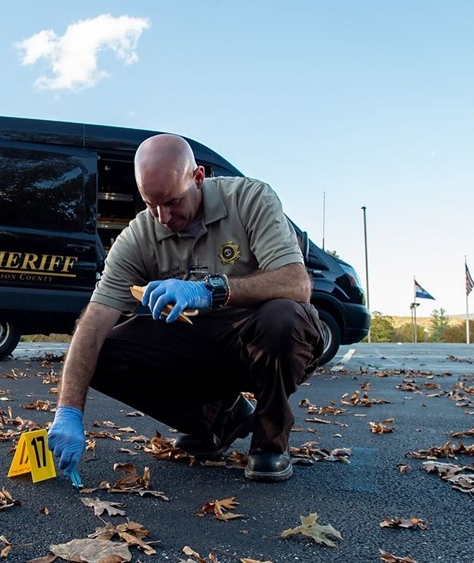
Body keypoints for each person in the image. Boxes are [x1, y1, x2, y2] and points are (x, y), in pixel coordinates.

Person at [49, 134, 323, 482]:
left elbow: (298, 284)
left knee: (284, 319)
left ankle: (270, 441)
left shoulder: (249, 199)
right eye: (152, 204)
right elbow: (95, 318)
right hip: (202, 344)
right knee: (101, 350)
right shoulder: (139, 235)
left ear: (198, 178)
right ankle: (222, 418)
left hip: (259, 336)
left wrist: (213, 290)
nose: (164, 217)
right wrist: (68, 410)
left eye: (174, 202)